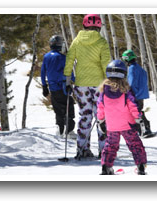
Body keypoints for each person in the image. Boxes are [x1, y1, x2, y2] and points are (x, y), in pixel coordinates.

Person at [64, 14, 111, 159]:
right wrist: (110, 82)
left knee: (85, 116)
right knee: (101, 117)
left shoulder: (77, 41)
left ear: (84, 25)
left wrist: (67, 80)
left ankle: (82, 149)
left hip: (81, 85)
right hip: (99, 85)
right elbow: (106, 64)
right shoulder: (102, 42)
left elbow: (69, 60)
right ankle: (104, 151)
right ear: (99, 26)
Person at [97, 60, 147, 175]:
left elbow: (100, 107)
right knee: (135, 144)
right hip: (127, 125)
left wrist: (100, 120)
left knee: (110, 146)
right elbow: (133, 105)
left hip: (112, 126)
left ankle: (106, 166)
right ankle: (140, 166)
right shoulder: (126, 91)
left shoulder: (103, 92)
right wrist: (138, 118)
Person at [41, 35, 76, 139]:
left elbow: (43, 72)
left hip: (53, 88)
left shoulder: (46, 57)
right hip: (64, 87)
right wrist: (72, 81)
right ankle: (69, 131)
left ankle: (60, 129)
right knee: (68, 107)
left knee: (57, 108)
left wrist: (44, 86)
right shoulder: (63, 58)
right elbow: (69, 72)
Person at [121, 50, 153, 137]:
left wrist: (128, 92)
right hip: (141, 94)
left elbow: (131, 82)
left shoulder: (131, 69)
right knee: (139, 110)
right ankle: (145, 128)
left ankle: (144, 129)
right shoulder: (139, 68)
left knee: (136, 112)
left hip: (135, 94)